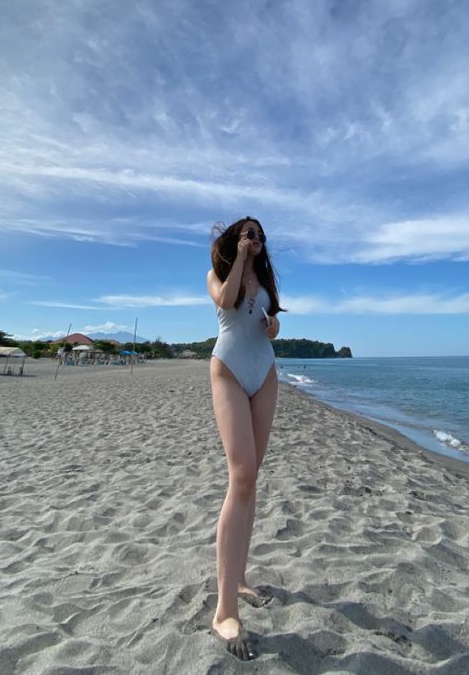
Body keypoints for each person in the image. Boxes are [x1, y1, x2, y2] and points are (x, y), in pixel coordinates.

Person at [207, 217, 284, 661]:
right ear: (236, 237)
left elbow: (264, 318)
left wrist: (274, 326)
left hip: (266, 373)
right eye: (249, 233)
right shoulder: (219, 271)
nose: (256, 240)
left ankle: (238, 579)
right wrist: (238, 256)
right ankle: (224, 610)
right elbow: (227, 299)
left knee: (251, 478)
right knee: (240, 477)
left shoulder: (266, 278)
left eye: (260, 236)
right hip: (229, 370)